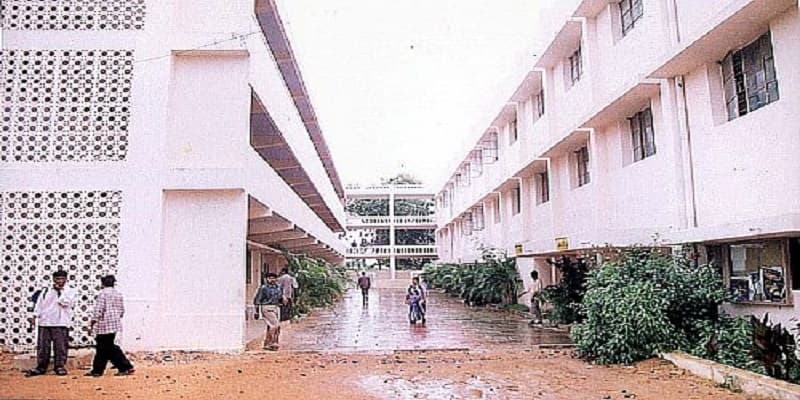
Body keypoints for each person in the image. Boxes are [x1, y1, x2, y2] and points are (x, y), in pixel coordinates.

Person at [25, 270, 77, 377]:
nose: (60, 281)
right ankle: (41, 367)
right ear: (53, 279)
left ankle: (59, 366)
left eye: (62, 279)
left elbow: (65, 302)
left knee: (60, 346)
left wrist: (59, 292)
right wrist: (34, 316)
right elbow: (39, 305)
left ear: (66, 279)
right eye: (58, 279)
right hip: (45, 322)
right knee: (43, 347)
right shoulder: (46, 290)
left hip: (61, 322)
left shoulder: (70, 291)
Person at [86, 275, 135, 377]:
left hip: (103, 325)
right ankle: (98, 370)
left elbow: (99, 310)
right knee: (106, 347)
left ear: (102, 283)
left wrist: (92, 323)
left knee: (104, 348)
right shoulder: (118, 294)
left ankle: (123, 367)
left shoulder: (102, 294)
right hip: (115, 324)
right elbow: (122, 310)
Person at [254, 273, 283, 350]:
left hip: (275, 307)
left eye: (274, 278)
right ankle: (272, 343)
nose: (272, 280)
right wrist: (256, 311)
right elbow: (257, 300)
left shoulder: (278, 288)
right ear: (267, 279)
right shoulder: (263, 288)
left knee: (271, 326)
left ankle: (268, 343)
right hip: (266, 307)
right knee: (275, 325)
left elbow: (280, 298)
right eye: (270, 278)